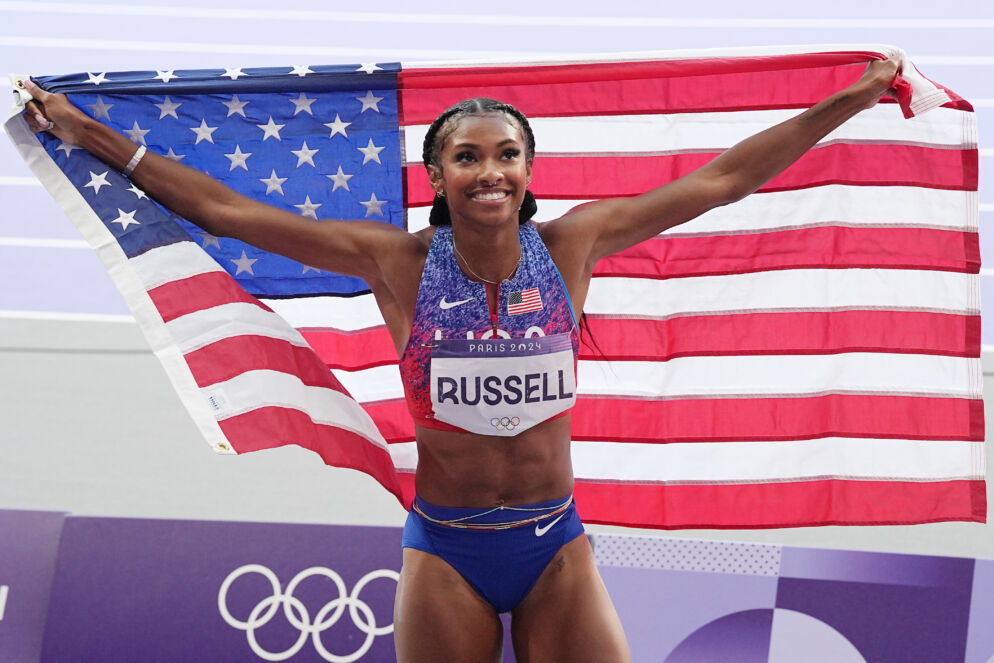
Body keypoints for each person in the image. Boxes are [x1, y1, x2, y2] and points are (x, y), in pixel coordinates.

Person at [23, 55, 900, 662]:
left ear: (529, 169)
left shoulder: (573, 245)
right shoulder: (395, 260)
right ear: (437, 175)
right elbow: (225, 210)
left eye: (507, 154)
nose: (491, 169)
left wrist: (851, 100)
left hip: (555, 540)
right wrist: (87, 133)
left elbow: (719, 181)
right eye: (467, 155)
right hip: (447, 549)